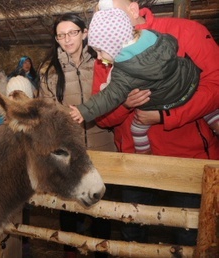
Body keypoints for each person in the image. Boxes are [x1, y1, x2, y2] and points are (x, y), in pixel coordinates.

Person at [91, 0, 219, 246]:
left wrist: (166, 115)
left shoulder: (186, 31)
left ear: (132, 9)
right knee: (133, 237)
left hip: (187, 162)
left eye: (110, 14)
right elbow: (103, 117)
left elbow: (215, 85)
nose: (104, 22)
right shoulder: (105, 56)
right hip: (134, 164)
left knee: (189, 237)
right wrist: (124, 103)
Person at [68, 8, 219, 155]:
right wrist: (125, 104)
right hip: (189, 83)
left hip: (190, 151)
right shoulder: (156, 37)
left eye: (100, 51)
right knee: (208, 109)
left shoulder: (121, 71)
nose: (99, 58)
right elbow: (103, 121)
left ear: (133, 9)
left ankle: (143, 153)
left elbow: (108, 96)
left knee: (138, 129)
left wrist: (84, 110)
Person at [38, 13, 116, 258]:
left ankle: (101, 251)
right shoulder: (49, 70)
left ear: (84, 33)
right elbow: (46, 110)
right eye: (61, 35)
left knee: (102, 207)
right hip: (70, 151)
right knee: (69, 206)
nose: (66, 39)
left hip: (103, 144)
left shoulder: (102, 62)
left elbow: (115, 97)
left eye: (72, 32)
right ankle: (70, 251)